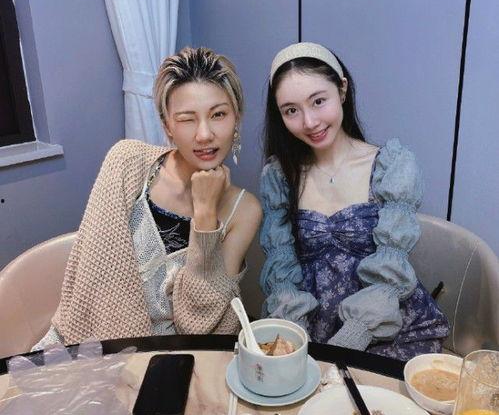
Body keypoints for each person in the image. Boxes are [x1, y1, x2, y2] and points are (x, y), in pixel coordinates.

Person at [34, 46, 262, 348]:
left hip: (175, 355)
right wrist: (123, 359)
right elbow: (95, 281)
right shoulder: (126, 162)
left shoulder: (245, 210)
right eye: (187, 119)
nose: (205, 134)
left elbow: (198, 322)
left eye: (218, 114)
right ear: (167, 126)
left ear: (236, 119)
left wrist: (206, 212)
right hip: (91, 344)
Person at [259, 42, 449, 361]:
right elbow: (282, 274)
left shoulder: (391, 166)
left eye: (318, 101)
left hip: (388, 329)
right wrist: (296, 342)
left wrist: (351, 338)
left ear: (342, 89)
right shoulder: (279, 176)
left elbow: (391, 270)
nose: (309, 122)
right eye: (291, 110)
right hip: (311, 333)